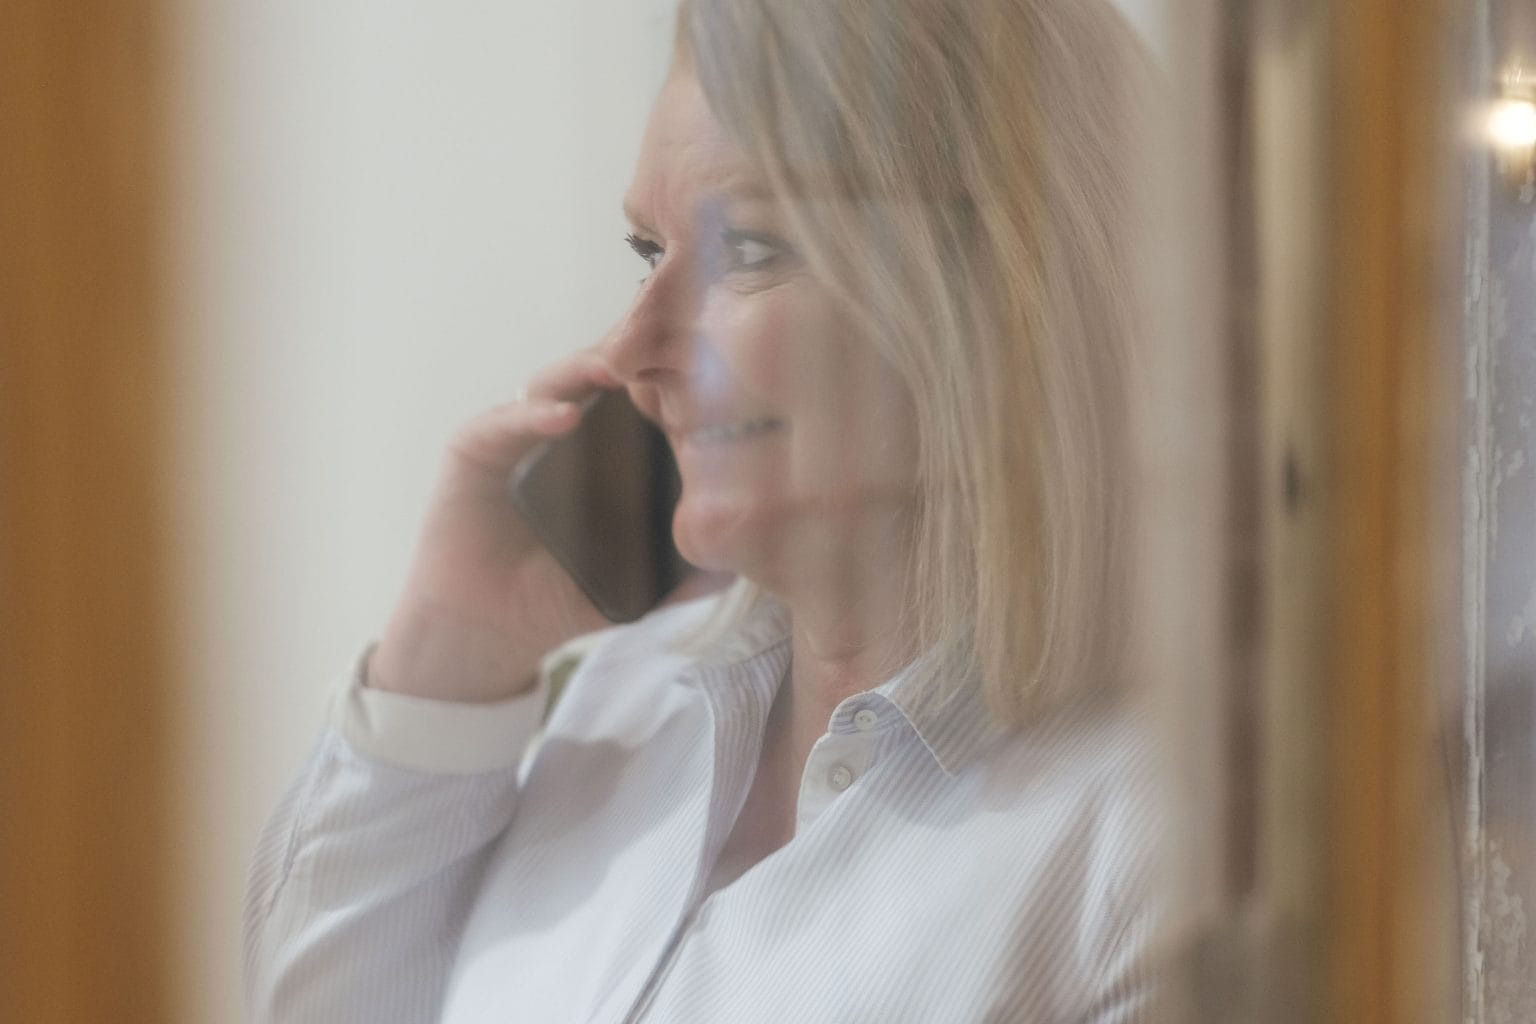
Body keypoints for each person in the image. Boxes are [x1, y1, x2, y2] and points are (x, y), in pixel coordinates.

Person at [245, 0, 1163, 1020]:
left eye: (751, 250)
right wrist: (444, 666)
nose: (629, 346)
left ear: (1007, 299)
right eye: (649, 251)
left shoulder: (1154, 845)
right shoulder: (626, 700)